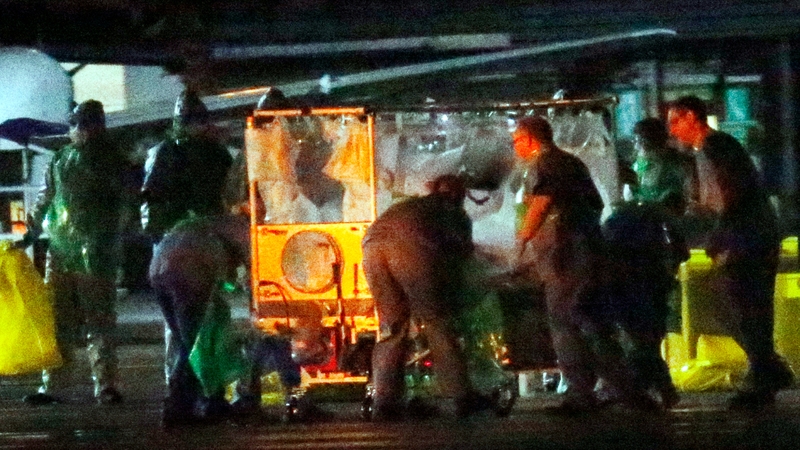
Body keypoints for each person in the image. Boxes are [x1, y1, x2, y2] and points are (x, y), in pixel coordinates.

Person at [513, 116, 655, 414]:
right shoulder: (571, 163)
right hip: (585, 253)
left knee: (566, 323)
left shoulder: (547, 163)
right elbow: (594, 204)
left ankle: (585, 394)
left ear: (530, 139)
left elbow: (541, 203)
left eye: (516, 141)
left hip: (566, 257)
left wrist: (522, 240)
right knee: (592, 322)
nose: (515, 147)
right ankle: (627, 391)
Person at [667, 96, 793, 410]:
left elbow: (730, 195)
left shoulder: (715, 147)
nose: (672, 130)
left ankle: (764, 373)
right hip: (750, 236)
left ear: (692, 117)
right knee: (746, 308)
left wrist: (718, 237)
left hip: (746, 240)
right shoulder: (710, 150)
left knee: (745, 308)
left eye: (675, 121)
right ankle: (767, 369)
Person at [22, 100, 126, 405]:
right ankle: (57, 385)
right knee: (63, 320)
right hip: (67, 251)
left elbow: (123, 203)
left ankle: (103, 385)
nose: (79, 131)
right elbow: (46, 198)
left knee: (96, 320)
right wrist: (31, 231)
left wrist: (32, 232)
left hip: (92, 253)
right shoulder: (67, 159)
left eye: (81, 125)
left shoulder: (107, 160)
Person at [362, 174, 491, 421]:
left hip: (371, 247)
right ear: (459, 195)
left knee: (392, 328)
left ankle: (385, 403)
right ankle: (460, 397)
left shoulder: (409, 205)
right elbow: (463, 254)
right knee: (437, 322)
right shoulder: (452, 212)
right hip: (409, 246)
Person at [140, 89, 234, 424]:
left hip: (174, 253)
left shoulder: (177, 152)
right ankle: (192, 401)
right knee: (194, 333)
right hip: (194, 253)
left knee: (189, 333)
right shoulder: (209, 154)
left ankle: (198, 398)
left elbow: (149, 202)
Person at [140, 88, 233, 240]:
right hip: (179, 230)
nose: (200, 126)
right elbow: (152, 195)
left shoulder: (215, 150)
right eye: (195, 121)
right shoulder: (167, 152)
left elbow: (231, 185)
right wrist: (157, 231)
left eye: (201, 120)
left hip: (209, 228)